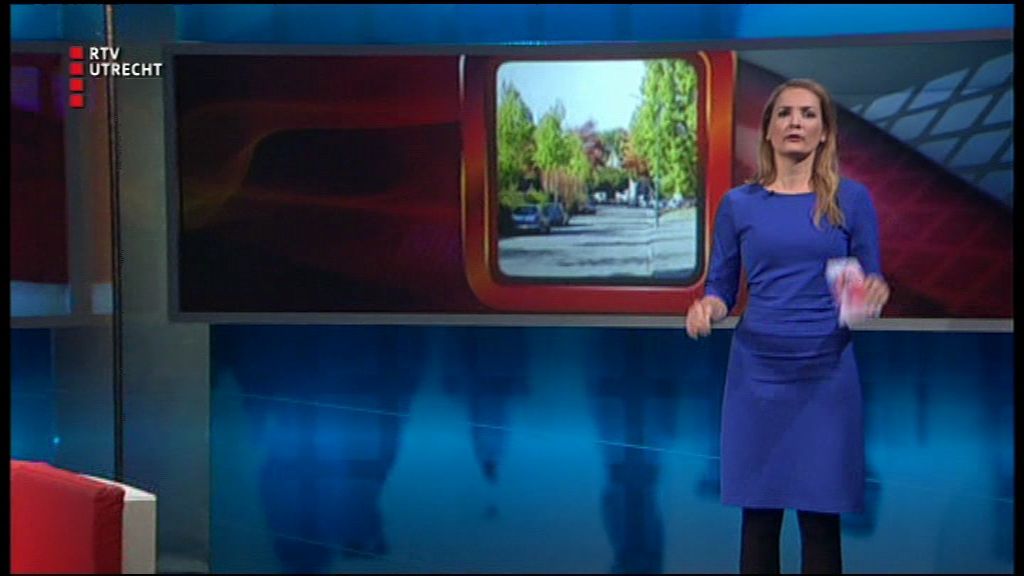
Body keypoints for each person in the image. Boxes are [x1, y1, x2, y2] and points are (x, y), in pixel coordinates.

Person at [686, 78, 890, 574]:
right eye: (784, 113)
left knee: (821, 521)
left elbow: (870, 279)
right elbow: (721, 287)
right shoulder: (739, 204)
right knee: (759, 518)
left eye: (807, 114)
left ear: (825, 132)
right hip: (757, 378)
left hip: (826, 375)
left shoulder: (852, 200)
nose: (795, 122)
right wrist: (707, 308)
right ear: (768, 130)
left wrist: (874, 294)